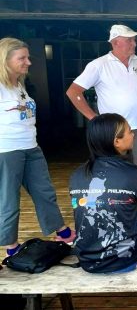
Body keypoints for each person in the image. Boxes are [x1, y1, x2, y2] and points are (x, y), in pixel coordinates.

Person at [66, 24, 137, 212]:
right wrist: (93, 118)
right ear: (116, 42)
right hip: (113, 130)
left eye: (134, 40)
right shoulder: (99, 64)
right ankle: (115, 199)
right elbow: (73, 92)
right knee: (113, 166)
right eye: (130, 40)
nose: (134, 43)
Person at [0, 37, 75, 257]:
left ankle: (61, 231)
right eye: (22, 58)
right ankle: (10, 245)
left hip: (31, 147)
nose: (28, 62)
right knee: (9, 199)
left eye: (28, 57)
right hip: (7, 150)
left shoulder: (19, 85)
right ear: (5, 60)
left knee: (44, 191)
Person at [69, 113, 137, 273]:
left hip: (87, 260)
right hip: (124, 262)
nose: (133, 134)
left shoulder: (76, 175)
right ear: (117, 142)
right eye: (129, 131)